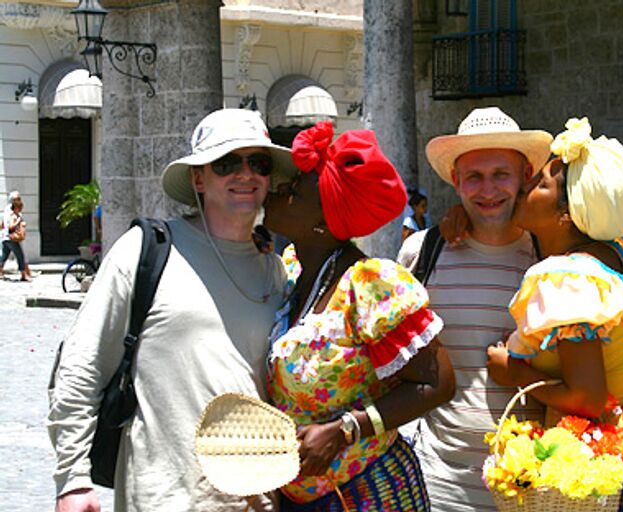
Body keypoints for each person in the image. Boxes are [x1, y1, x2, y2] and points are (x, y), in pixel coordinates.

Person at [397, 107, 623, 512]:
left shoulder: (557, 262)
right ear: (456, 181)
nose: (487, 190)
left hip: (546, 491)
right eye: (474, 176)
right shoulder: (422, 252)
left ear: (525, 177)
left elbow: (609, 349)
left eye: (501, 175)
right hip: (441, 486)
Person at [47, 109, 294, 512]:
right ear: (199, 178)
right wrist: (72, 479)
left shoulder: (274, 268)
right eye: (226, 163)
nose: (245, 174)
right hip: (165, 496)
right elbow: (81, 365)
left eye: (259, 163)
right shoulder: (146, 250)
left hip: (256, 498)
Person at [486, 117, 623, 510]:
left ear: (567, 215)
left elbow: (587, 397)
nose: (527, 187)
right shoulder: (612, 256)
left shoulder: (567, 277)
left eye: (541, 184)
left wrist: (513, 370)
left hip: (611, 476)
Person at [264, 121, 455, 511]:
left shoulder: (369, 285)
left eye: (295, 192)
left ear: (321, 223)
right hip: (303, 495)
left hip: (369, 492)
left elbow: (438, 383)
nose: (280, 191)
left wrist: (345, 430)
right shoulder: (294, 273)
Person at [0, 190, 32, 281]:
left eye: (19, 198)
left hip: (5, 237)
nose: (19, 200)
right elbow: (10, 226)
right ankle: (23, 274)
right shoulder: (12, 211)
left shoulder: (9, 209)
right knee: (20, 255)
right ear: (13, 200)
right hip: (11, 237)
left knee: (4, 255)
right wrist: (19, 221)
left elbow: (3, 224)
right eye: (18, 199)